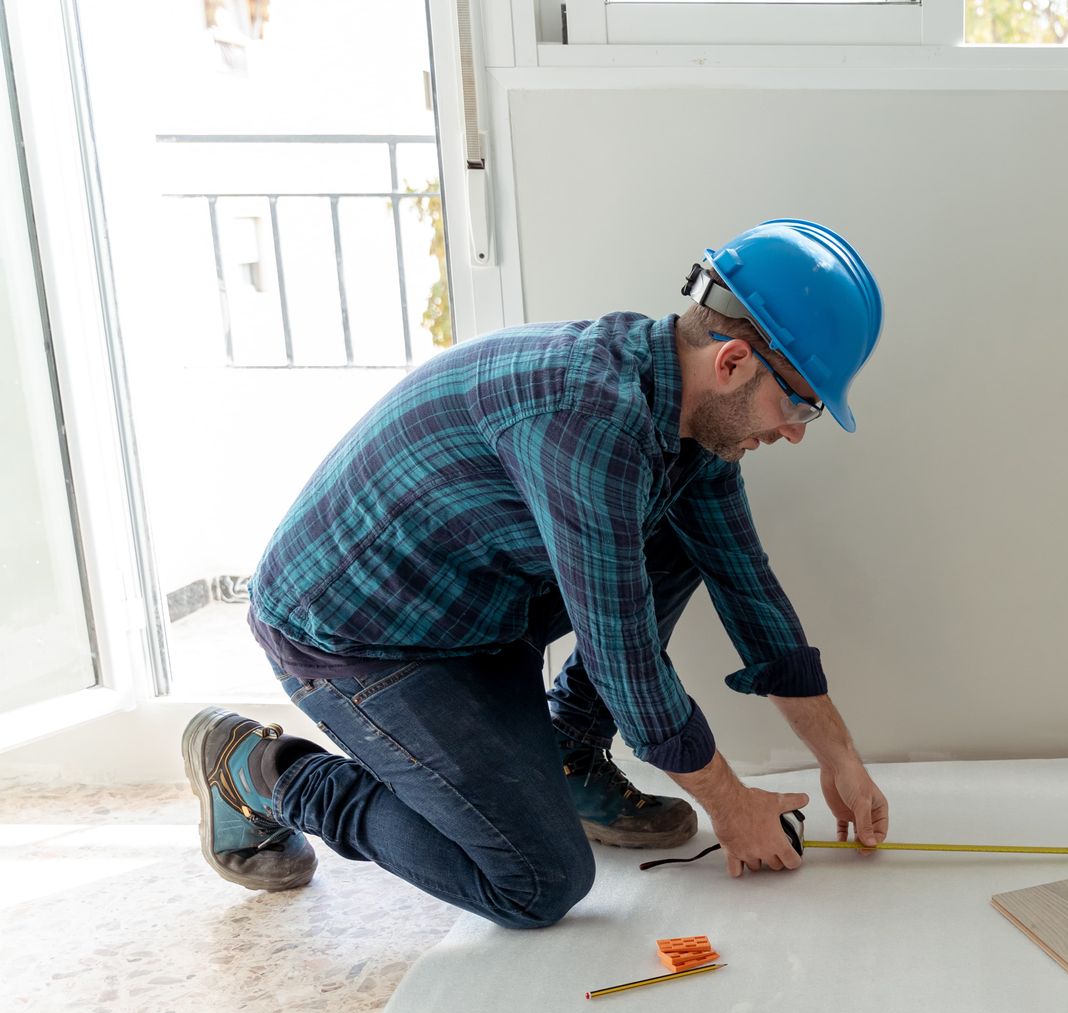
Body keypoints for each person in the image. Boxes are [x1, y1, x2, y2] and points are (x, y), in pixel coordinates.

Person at [180, 219, 890, 929]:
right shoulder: (585, 417)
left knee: (684, 542)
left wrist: (840, 761)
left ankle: (570, 757)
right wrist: (731, 806)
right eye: (800, 402)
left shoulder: (690, 424)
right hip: (360, 637)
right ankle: (261, 772)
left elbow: (748, 587)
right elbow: (625, 658)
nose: (796, 429)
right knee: (538, 883)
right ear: (733, 362)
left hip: (477, 608)